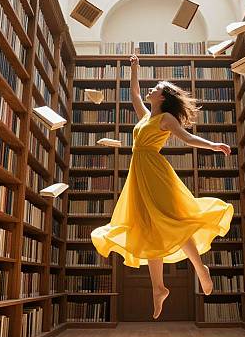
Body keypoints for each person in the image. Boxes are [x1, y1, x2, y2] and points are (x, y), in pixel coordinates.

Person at [91, 55, 234, 319]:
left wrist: (213, 145)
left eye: (156, 87)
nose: (151, 89)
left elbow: (187, 137)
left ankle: (200, 269)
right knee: (147, 228)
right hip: (138, 175)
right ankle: (158, 288)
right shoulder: (146, 116)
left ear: (163, 96)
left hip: (155, 172)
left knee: (174, 219)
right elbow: (134, 93)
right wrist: (134, 68)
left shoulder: (166, 118)